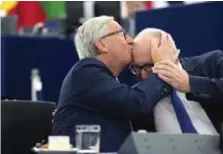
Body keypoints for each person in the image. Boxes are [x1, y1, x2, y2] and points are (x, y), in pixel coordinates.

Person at [52, 16, 176, 152]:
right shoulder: (86, 71)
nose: (130, 40)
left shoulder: (103, 79)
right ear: (102, 44)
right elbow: (136, 103)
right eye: (123, 34)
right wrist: (163, 65)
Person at [130, 28, 223, 134]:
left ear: (172, 54)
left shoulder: (210, 64)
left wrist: (190, 84)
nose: (142, 75)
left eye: (149, 66)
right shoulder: (140, 97)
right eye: (136, 68)